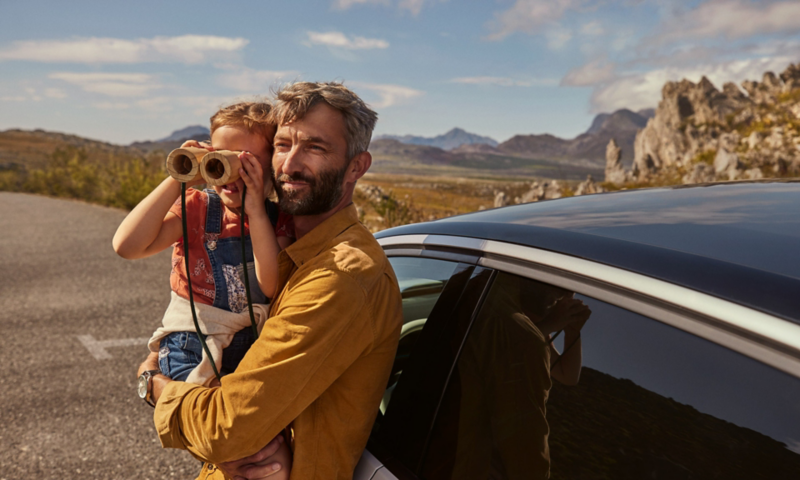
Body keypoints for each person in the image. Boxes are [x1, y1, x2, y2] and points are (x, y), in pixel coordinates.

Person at [136, 82, 403, 480]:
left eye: (315, 147)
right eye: (282, 145)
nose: (289, 165)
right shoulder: (287, 248)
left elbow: (224, 430)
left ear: (356, 167)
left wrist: (152, 384)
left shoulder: (340, 276)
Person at [115, 102, 293, 477]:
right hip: (190, 348)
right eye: (218, 160)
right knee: (231, 445)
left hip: (246, 351)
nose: (228, 174)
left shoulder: (277, 219)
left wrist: (256, 209)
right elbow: (127, 246)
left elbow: (269, 283)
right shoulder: (196, 208)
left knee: (258, 455)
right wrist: (179, 177)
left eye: (245, 163)